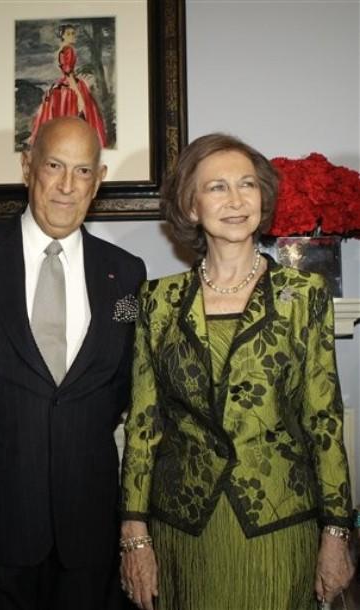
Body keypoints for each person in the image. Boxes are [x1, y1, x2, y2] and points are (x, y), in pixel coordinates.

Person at [119, 133, 354, 610]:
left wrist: (336, 532)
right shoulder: (155, 301)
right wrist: (134, 533)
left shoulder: (304, 293)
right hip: (184, 529)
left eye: (247, 184)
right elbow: (144, 424)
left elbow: (324, 423)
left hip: (279, 525)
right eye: (217, 187)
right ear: (189, 206)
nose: (236, 200)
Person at [0, 116, 146, 610]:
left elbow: (123, 378)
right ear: (28, 167)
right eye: (54, 166)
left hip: (87, 530)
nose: (68, 186)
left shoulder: (127, 278)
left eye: (83, 171)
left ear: (100, 179)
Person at [29, 24, 107, 148]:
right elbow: (68, 73)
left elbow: (68, 73)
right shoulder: (68, 50)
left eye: (73, 33)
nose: (73, 36)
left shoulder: (63, 49)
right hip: (70, 85)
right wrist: (79, 95)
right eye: (69, 34)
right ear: (63, 36)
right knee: (76, 114)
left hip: (66, 83)